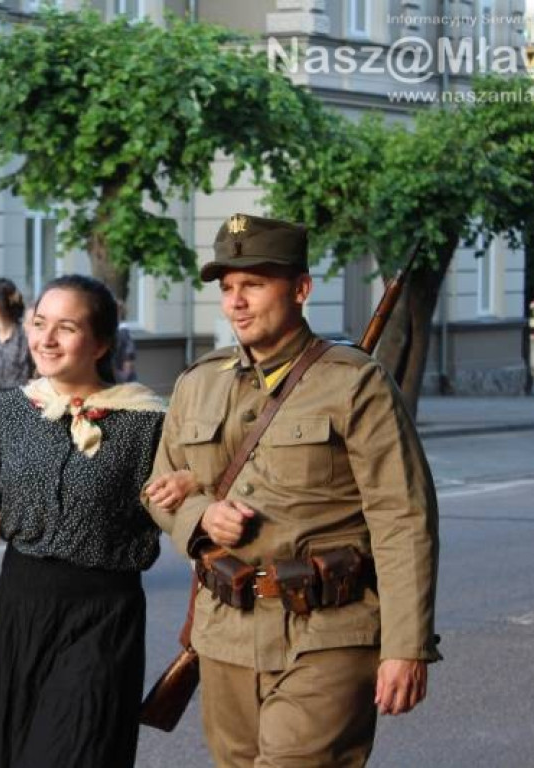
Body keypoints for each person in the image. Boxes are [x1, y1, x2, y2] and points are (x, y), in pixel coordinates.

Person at [145, 213, 440, 768]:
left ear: (300, 289)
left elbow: (403, 517)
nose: (237, 301)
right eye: (228, 287)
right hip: (225, 632)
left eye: (253, 284)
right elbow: (161, 490)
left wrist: (406, 646)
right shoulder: (197, 383)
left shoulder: (355, 383)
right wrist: (203, 515)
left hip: (328, 632)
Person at [0, 274, 167, 768]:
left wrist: (189, 490)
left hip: (101, 615)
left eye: (67, 327)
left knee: (73, 751)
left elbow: (182, 500)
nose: (46, 339)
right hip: (19, 609)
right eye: (39, 324)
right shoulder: (12, 412)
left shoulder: (148, 423)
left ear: (100, 343)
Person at [112, 299, 138, 383]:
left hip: (121, 379)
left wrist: (124, 378)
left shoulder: (123, 333)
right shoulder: (112, 332)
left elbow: (128, 357)